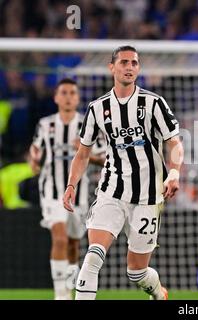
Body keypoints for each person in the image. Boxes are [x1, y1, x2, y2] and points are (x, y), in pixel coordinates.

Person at [63, 46, 184, 300]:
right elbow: (83, 153)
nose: (129, 67)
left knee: (136, 272)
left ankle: (158, 293)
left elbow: (174, 142)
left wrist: (174, 172)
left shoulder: (153, 103)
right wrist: (71, 185)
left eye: (134, 63)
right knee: (94, 254)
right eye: (124, 62)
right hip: (112, 191)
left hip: (148, 197)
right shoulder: (97, 109)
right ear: (112, 67)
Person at [29, 78, 106, 300]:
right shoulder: (45, 125)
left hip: (79, 194)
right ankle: (60, 295)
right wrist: (33, 161)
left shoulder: (87, 124)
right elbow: (34, 152)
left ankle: (70, 288)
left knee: (73, 244)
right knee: (60, 238)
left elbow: (105, 158)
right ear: (56, 97)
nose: (68, 97)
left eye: (72, 93)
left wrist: (85, 154)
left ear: (78, 97)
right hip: (52, 190)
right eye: (63, 92)